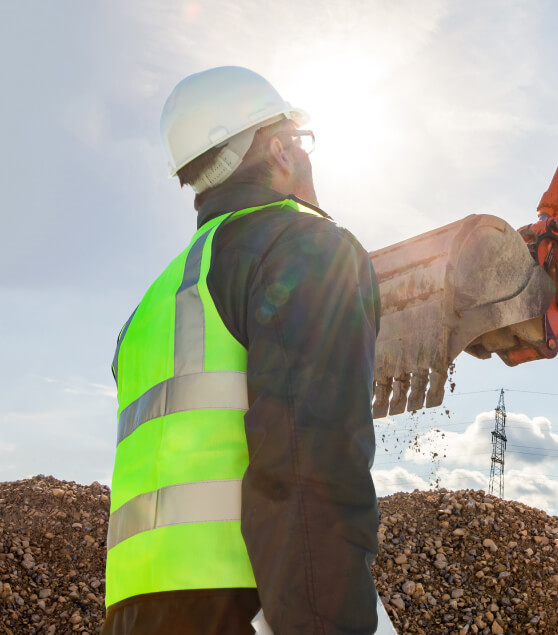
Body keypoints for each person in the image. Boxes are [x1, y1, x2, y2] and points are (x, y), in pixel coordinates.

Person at [104, 66, 382, 634]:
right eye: (300, 143)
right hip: (245, 605)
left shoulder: (151, 307)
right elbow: (308, 466)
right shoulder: (300, 247)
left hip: (133, 612)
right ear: (280, 150)